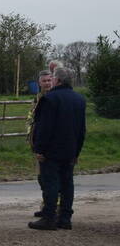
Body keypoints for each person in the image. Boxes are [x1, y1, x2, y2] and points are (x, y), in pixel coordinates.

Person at [29, 67, 86, 230]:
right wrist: (77, 151)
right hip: (70, 149)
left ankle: (49, 217)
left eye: (52, 77)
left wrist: (39, 149)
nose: (50, 80)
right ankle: (65, 218)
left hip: (51, 150)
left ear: (58, 80)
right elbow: (82, 129)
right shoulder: (79, 99)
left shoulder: (49, 99)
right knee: (68, 183)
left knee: (51, 183)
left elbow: (44, 127)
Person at [26, 69, 55, 217]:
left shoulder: (55, 98)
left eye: (49, 80)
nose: (47, 83)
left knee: (52, 179)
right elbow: (32, 120)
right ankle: (46, 205)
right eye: (44, 81)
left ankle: (54, 208)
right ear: (39, 83)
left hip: (51, 147)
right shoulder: (37, 99)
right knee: (41, 178)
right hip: (38, 145)